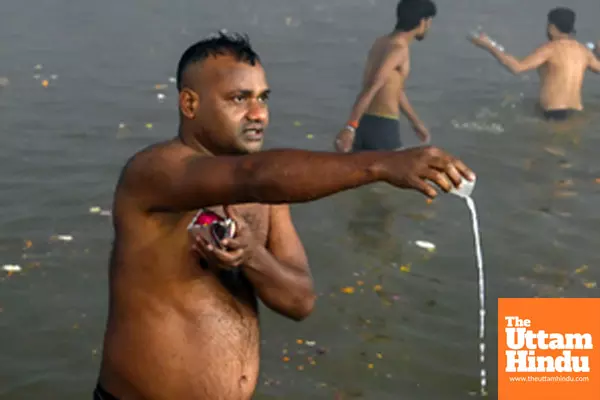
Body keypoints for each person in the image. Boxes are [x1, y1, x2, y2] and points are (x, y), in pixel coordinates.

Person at [95, 31, 474, 400]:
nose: (258, 113)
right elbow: (256, 176)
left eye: (263, 98)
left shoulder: (269, 195)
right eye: (238, 98)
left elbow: (300, 301)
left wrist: (251, 257)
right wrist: (381, 164)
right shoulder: (154, 173)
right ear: (190, 104)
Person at [334, 0, 437, 153]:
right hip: (382, 126)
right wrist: (350, 126)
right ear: (423, 21)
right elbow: (373, 85)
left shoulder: (381, 42)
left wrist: (415, 122)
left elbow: (396, 89)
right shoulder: (398, 49)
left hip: (366, 121)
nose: (429, 27)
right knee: (400, 173)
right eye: (430, 22)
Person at [470, 7, 600, 122]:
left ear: (552, 27)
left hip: (554, 113)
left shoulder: (550, 49)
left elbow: (517, 67)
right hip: (575, 112)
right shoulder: (583, 51)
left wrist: (489, 46)